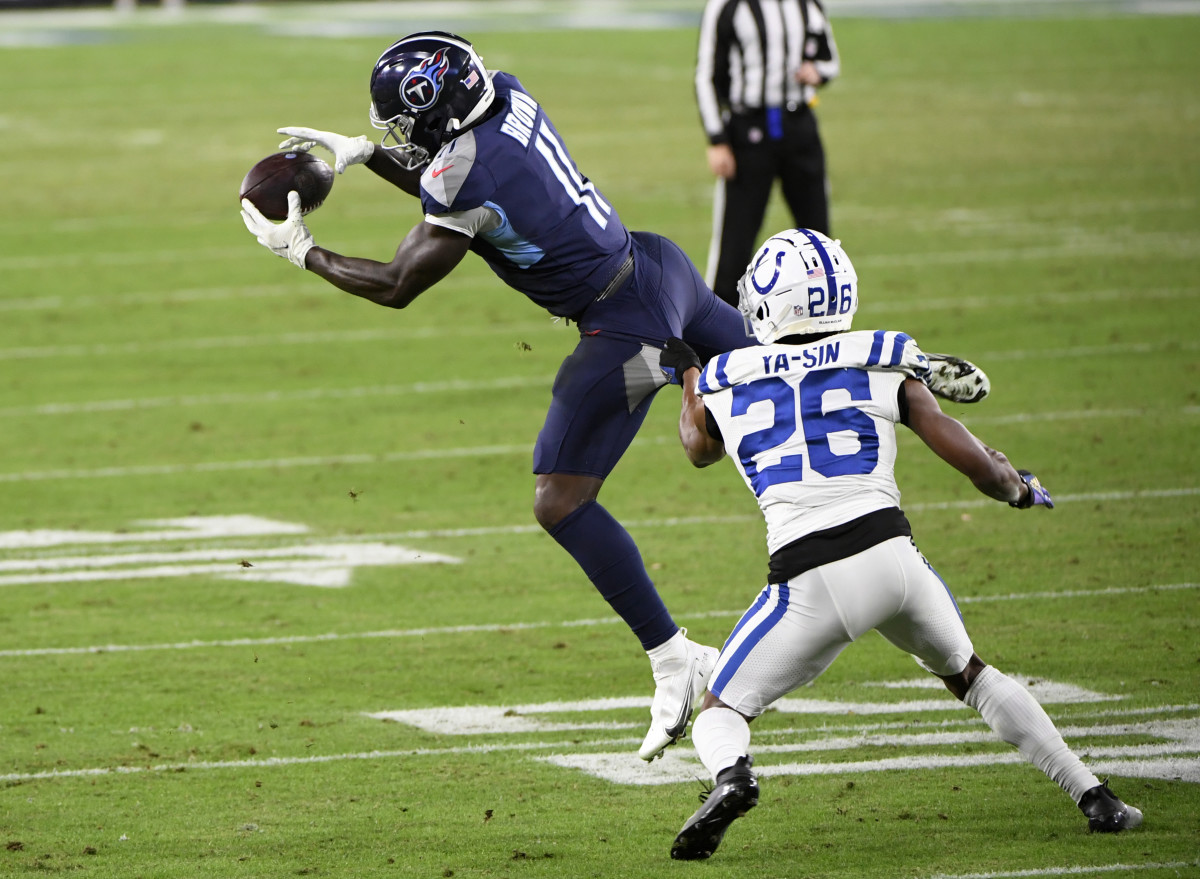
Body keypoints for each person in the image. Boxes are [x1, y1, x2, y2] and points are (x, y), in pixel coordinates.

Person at [240, 30, 757, 763]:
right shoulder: (507, 91)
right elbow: (461, 181)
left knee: (561, 498)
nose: (402, 136)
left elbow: (397, 283)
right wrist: (365, 153)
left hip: (626, 329)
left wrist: (301, 251)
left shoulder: (462, 176)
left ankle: (676, 656)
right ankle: (911, 372)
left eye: (402, 122)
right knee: (798, 376)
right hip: (658, 268)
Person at [657, 229, 1144, 860]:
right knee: (971, 674)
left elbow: (698, 448)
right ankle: (1096, 797)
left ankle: (734, 778)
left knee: (719, 708)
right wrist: (1018, 487)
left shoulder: (726, 376)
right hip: (896, 562)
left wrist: (688, 374)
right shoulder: (883, 356)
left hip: (809, 579)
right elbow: (967, 454)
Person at [695, 0, 840, 306]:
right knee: (734, 247)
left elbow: (831, 60)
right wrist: (717, 139)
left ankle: (826, 337)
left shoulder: (807, 4)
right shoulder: (728, 6)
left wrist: (817, 72)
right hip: (748, 132)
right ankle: (716, 338)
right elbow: (706, 75)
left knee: (820, 244)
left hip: (800, 127)